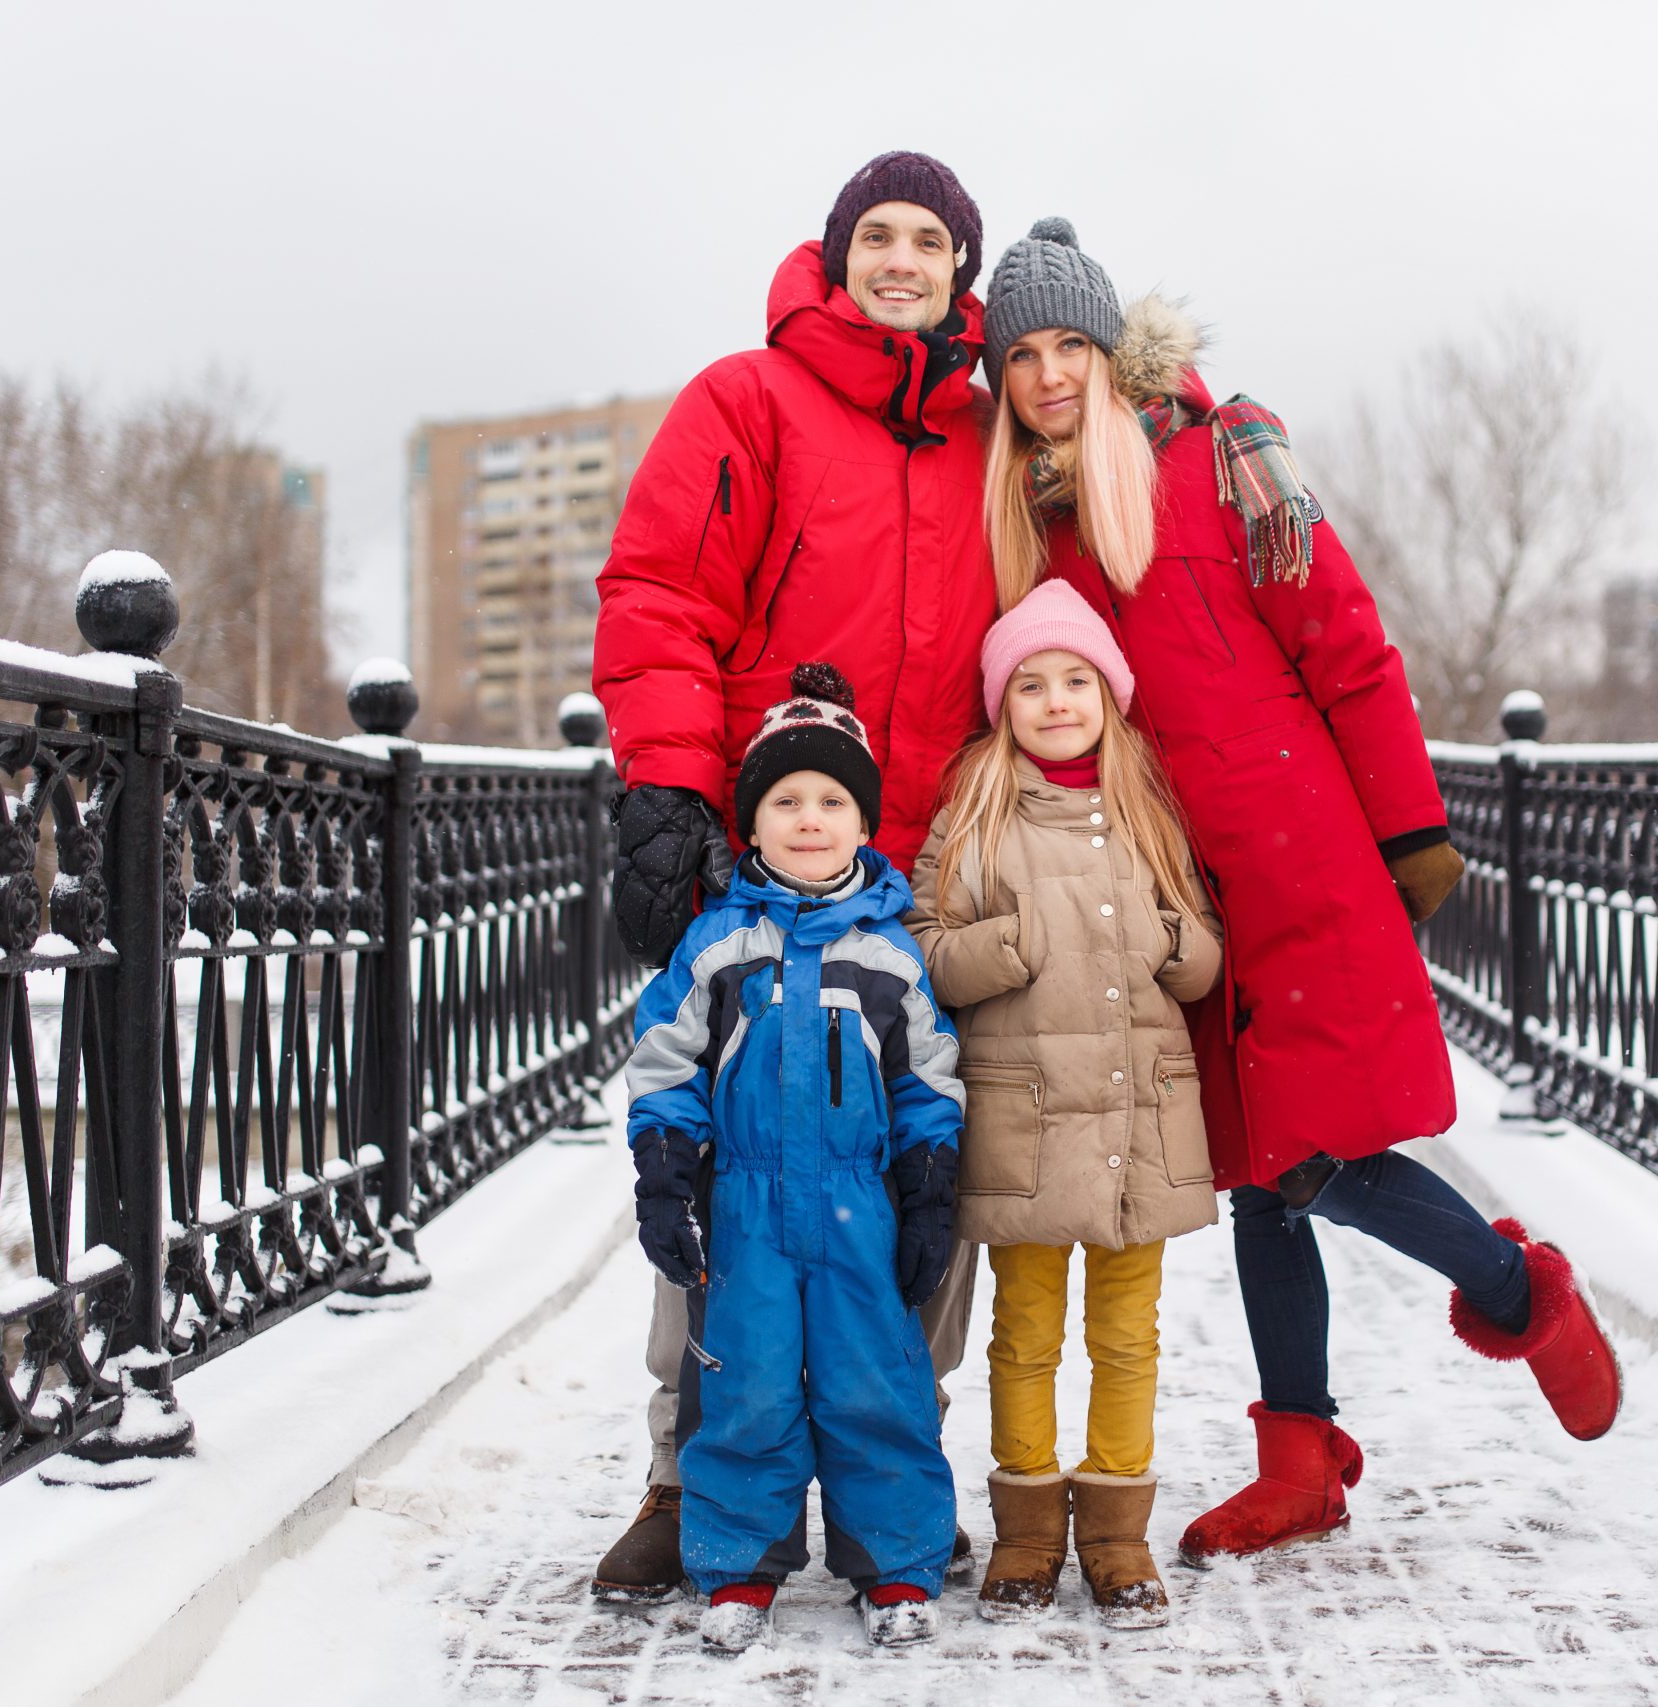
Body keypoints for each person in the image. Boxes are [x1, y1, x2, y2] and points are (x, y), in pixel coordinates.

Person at [974, 220, 1625, 1565]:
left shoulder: (1224, 454)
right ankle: (1299, 1460)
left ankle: (1525, 1290)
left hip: (1304, 849)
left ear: (1111, 346)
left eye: (1066, 345)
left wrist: (1410, 828)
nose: (1045, 374)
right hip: (1180, 879)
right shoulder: (1033, 521)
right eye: (1018, 353)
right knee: (1261, 1181)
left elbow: (1347, 640)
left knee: (1317, 1151)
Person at [588, 150, 998, 1600]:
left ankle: (897, 1461)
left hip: (929, 867)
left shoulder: (986, 437)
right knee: (727, 1159)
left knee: (918, 1159)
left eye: (931, 241)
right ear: (836, 258)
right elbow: (661, 596)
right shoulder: (746, 401)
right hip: (764, 858)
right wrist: (675, 794)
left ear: (964, 271)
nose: (902, 260)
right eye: (876, 236)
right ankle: (686, 1475)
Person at [624, 663, 963, 1652]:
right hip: (748, 1210)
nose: (808, 820)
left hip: (865, 1209)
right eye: (784, 801)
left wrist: (929, 1187)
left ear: (862, 825)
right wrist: (664, 1168)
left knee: (878, 1385)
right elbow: (666, 1059)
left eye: (830, 801)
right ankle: (740, 1568)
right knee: (747, 1387)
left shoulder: (891, 954)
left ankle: (894, 1566)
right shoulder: (715, 945)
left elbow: (928, 1077)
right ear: (752, 823)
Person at [906, 582, 1222, 1627]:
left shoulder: (1146, 812)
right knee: (1026, 1333)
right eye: (1030, 684)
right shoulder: (977, 816)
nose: (1054, 701)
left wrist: (1179, 951)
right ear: (1002, 706)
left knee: (1130, 1335)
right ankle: (1029, 1530)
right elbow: (921, 950)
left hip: (1138, 1121)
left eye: (1075, 680)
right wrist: (1001, 948)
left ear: (1108, 696)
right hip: (1027, 1125)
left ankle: (1119, 1533)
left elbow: (1205, 944)